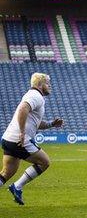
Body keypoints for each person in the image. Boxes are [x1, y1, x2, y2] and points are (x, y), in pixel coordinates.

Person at [1, 73, 63, 205]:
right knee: (44, 162)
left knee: (6, 173)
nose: (50, 86)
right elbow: (23, 109)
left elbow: (36, 122)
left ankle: (16, 186)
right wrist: (23, 133)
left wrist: (52, 124)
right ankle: (17, 186)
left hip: (9, 139)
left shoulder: (32, 96)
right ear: (40, 84)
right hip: (19, 139)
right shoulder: (36, 95)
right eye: (47, 83)